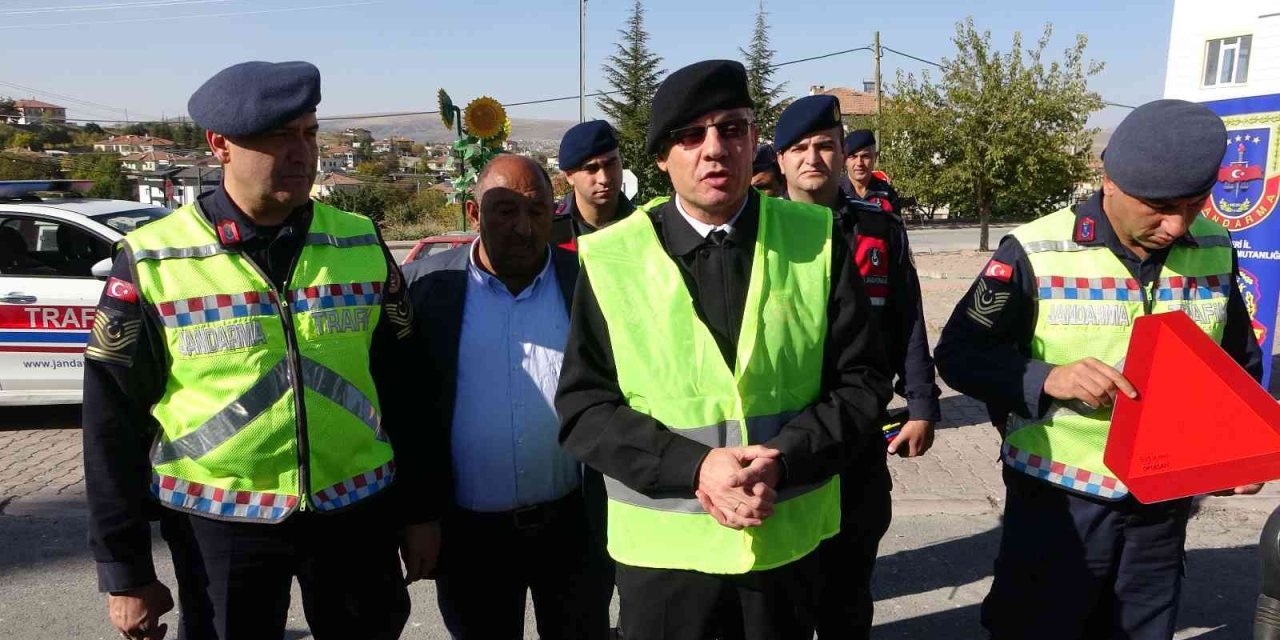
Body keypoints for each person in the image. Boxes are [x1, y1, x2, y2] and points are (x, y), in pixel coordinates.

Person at [81, 60, 441, 640]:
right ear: (219, 144)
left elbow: (407, 386)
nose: (300, 153)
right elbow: (109, 425)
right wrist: (124, 571)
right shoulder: (153, 259)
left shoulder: (359, 240)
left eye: (309, 133)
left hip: (354, 514)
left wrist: (421, 510)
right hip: (218, 526)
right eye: (277, 136)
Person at [556, 59, 892, 640]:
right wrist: (696, 468)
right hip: (666, 568)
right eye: (692, 135)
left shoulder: (816, 239)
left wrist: (784, 459)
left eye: (732, 129)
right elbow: (585, 410)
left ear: (754, 140)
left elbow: (862, 382)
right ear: (662, 156)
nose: (715, 149)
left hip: (784, 555)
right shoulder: (613, 258)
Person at [935, 98, 1265, 639]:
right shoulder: (1036, 249)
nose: (1177, 223)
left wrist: (1239, 449)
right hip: (1056, 502)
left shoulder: (1213, 244)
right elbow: (960, 353)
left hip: (1160, 502)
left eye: (1195, 202)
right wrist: (1047, 378)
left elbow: (1233, 360)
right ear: (1109, 180)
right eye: (1159, 205)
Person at [403, 154, 611, 639]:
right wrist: (418, 516)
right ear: (474, 215)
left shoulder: (585, 283)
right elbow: (407, 410)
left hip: (574, 531)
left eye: (537, 211)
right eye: (505, 211)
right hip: (469, 539)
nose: (523, 227)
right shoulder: (427, 290)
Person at [772, 94, 941, 639]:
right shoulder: (760, 234)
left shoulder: (879, 230)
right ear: (779, 161)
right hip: (786, 428)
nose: (813, 158)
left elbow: (907, 317)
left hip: (860, 428)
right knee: (788, 590)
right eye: (799, 148)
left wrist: (921, 404)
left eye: (825, 146)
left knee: (849, 586)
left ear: (843, 152)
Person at [553, 120, 635, 251]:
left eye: (611, 164)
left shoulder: (642, 222)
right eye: (591, 168)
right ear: (569, 176)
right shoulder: (550, 230)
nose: (604, 178)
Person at [840, 129, 901, 216]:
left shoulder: (887, 193)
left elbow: (898, 228)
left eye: (865, 156)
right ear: (845, 159)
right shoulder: (835, 192)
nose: (859, 163)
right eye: (853, 157)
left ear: (875, 158)